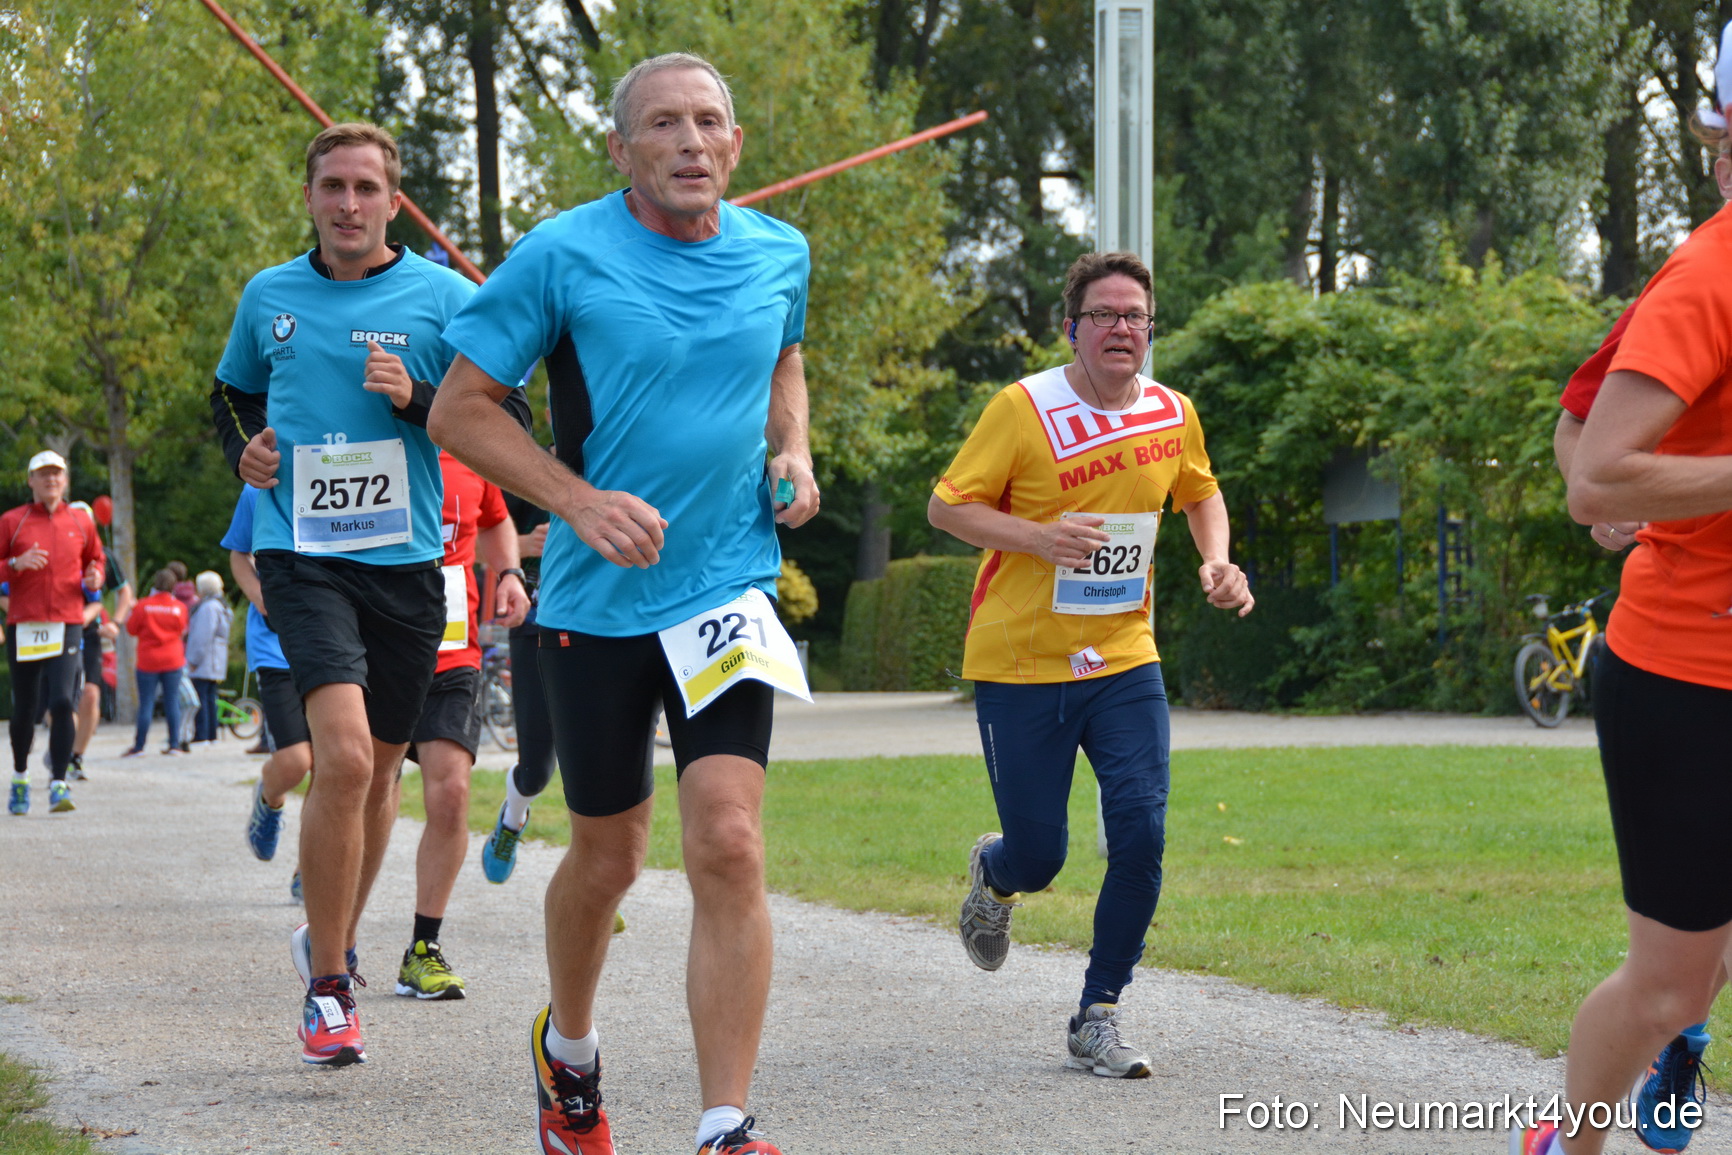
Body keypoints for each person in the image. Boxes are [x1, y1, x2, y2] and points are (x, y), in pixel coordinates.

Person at [429, 52, 817, 1155]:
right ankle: (570, 1053)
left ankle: (724, 1122)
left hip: (726, 588)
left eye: (708, 122)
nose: (690, 141)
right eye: (663, 125)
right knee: (608, 854)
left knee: (729, 841)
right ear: (621, 149)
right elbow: (459, 410)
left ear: (735, 142)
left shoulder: (779, 251)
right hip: (594, 606)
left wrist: (793, 449)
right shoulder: (561, 254)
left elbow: (784, 360)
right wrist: (575, 499)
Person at [927, 251, 1253, 1080]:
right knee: (1041, 855)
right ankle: (996, 872)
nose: (1120, 328)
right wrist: (1039, 537)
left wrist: (1217, 559)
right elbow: (947, 506)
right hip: (1021, 660)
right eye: (1103, 314)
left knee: (1142, 830)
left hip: (1123, 655)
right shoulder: (1024, 407)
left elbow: (1200, 490)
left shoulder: (1172, 412)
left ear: (1150, 329)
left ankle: (1098, 1012)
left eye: (1135, 315)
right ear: (1070, 327)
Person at [207, 122, 490, 1069]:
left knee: (378, 771)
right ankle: (328, 986)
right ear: (309, 197)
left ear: (393, 202)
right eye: (332, 185)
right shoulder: (269, 295)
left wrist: (418, 398)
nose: (348, 203)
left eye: (367, 187)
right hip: (302, 554)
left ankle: (334, 938)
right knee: (344, 756)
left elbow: (509, 411)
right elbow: (232, 393)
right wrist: (244, 449)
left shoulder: (444, 300)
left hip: (407, 566)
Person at [1508, 53, 1732, 1155]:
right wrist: (1619, 499)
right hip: (1693, 672)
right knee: (1670, 982)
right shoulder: (1705, 278)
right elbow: (1590, 457)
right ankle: (1569, 1141)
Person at [394, 448, 528, 999]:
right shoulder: (364, 438)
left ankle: (423, 947)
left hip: (452, 653)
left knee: (451, 793)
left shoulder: (470, 448)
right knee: (367, 790)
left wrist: (509, 573)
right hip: (374, 654)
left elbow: (496, 520)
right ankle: (336, 944)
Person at [225, 484, 315, 903]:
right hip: (276, 647)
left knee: (332, 766)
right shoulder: (259, 487)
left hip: (335, 643)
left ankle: (310, 868)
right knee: (296, 760)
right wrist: (260, 597)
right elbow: (238, 553)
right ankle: (269, 797)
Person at [4, 450, 103, 815]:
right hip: (25, 623)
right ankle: (20, 776)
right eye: (43, 474)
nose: (51, 480)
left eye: (57, 474)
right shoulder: (12, 521)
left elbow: (96, 560)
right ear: (30, 480)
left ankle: (59, 783)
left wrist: (96, 576)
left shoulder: (80, 520)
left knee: (62, 701)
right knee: (26, 707)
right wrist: (15, 563)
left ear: (65, 480)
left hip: (67, 622)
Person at [65, 502, 131, 781]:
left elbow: (124, 592)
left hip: (89, 632)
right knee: (61, 701)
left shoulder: (104, 555)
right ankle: (61, 747)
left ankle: (75, 758)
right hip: (58, 630)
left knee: (91, 695)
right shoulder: (57, 549)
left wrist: (115, 623)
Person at [124, 569, 189, 756]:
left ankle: (139, 746)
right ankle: (174, 744)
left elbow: (131, 629)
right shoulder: (179, 607)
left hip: (148, 660)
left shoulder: (143, 605)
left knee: (146, 703)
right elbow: (182, 630)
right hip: (173, 658)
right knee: (172, 701)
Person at [185, 571, 233, 746]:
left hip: (205, 660)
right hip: (216, 660)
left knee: (201, 698)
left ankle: (202, 734)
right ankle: (211, 734)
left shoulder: (208, 608)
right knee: (210, 697)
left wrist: (193, 660)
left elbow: (202, 636)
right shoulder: (221, 606)